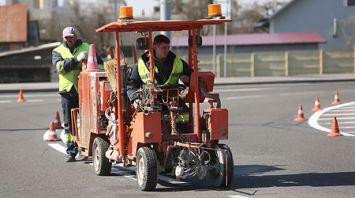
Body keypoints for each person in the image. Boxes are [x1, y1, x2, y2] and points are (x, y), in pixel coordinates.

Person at [52, 27, 102, 162]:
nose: (69, 39)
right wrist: (76, 60)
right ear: (63, 38)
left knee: (87, 120)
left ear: (76, 36)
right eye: (67, 37)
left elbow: (100, 64)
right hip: (67, 91)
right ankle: (71, 151)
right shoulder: (57, 51)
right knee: (69, 123)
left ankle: (85, 147)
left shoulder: (87, 47)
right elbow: (60, 68)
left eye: (71, 37)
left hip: (85, 90)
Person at [127, 34, 191, 132]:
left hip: (172, 98)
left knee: (184, 112)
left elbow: (191, 77)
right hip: (149, 99)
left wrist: (188, 80)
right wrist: (135, 99)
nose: (167, 50)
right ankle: (151, 138)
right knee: (148, 115)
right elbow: (131, 84)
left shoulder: (177, 61)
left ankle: (182, 136)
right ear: (155, 47)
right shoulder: (141, 63)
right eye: (164, 48)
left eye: (168, 47)